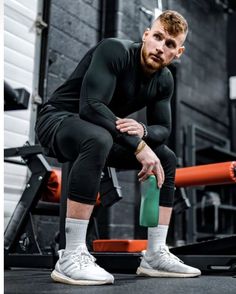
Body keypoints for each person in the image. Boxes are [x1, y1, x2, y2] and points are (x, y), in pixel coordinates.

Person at [35, 10, 201, 285]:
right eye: (158, 37)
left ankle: (156, 253)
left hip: (103, 131)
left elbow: (163, 129)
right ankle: (71, 256)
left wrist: (144, 132)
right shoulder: (115, 51)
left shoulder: (164, 80)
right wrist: (138, 146)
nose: (161, 47)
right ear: (146, 35)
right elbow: (90, 107)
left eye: (170, 44)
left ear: (178, 52)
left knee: (166, 157)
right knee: (97, 138)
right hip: (59, 119)